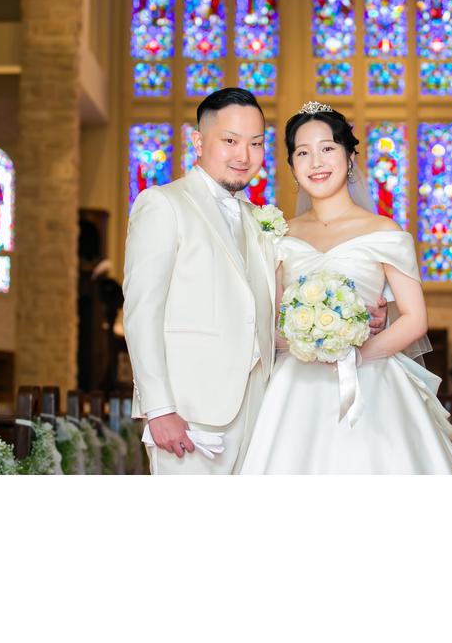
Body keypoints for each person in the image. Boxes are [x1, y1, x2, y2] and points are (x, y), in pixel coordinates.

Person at [122, 88, 387, 475]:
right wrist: (159, 408)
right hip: (190, 413)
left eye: (256, 143)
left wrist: (354, 319)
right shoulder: (163, 204)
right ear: (198, 142)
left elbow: (273, 311)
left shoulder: (260, 220)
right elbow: (141, 312)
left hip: (261, 410)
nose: (244, 156)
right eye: (230, 141)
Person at [241, 101, 452, 475]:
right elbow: (273, 321)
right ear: (292, 166)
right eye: (303, 152)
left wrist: (358, 354)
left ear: (349, 157)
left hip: (372, 380)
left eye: (327, 148)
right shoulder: (280, 235)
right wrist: (303, 340)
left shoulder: (384, 231)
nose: (316, 162)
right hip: (297, 385)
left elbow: (414, 319)